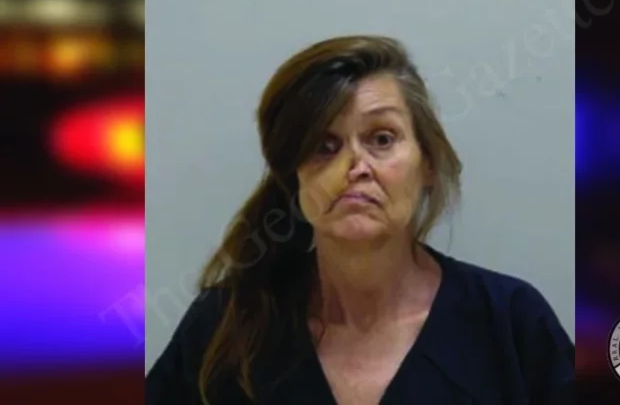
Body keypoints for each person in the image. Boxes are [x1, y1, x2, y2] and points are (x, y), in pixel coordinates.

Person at [145, 35, 574, 404]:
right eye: (324, 146)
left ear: (427, 163)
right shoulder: (228, 325)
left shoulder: (511, 324)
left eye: (381, 139)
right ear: (293, 177)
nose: (355, 167)